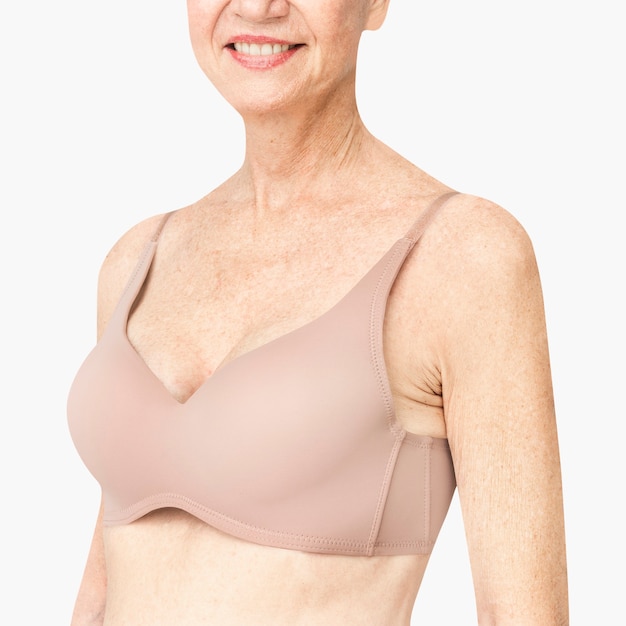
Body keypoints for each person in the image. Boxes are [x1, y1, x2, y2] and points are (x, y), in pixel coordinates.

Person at [67, 0, 569, 624]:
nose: (257, 7)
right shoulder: (138, 258)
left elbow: (521, 615)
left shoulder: (461, 256)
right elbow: (102, 590)